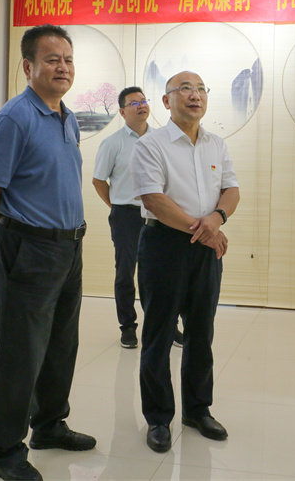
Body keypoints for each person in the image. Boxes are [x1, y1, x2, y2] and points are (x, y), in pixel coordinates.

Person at [0, 24, 95, 481]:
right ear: (28, 66)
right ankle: (4, 449)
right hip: (27, 248)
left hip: (68, 247)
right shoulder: (14, 118)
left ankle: (49, 424)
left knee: (61, 345)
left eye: (68, 59)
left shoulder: (67, 116)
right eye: (52, 59)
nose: (62, 67)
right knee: (20, 353)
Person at [130, 71, 240, 453]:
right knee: (159, 334)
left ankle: (197, 410)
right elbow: (153, 199)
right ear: (166, 101)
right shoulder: (151, 145)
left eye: (201, 89)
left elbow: (231, 189)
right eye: (185, 89)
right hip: (164, 245)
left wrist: (217, 219)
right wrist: (205, 229)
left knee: (201, 332)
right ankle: (159, 418)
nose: (195, 95)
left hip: (206, 248)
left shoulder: (215, 144)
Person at [92, 87, 184, 349]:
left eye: (144, 101)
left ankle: (168, 327)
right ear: (122, 112)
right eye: (134, 103)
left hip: (159, 215)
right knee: (125, 273)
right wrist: (116, 206)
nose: (142, 106)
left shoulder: (162, 139)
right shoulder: (112, 143)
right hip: (126, 215)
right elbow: (99, 180)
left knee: (164, 273)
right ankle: (128, 327)